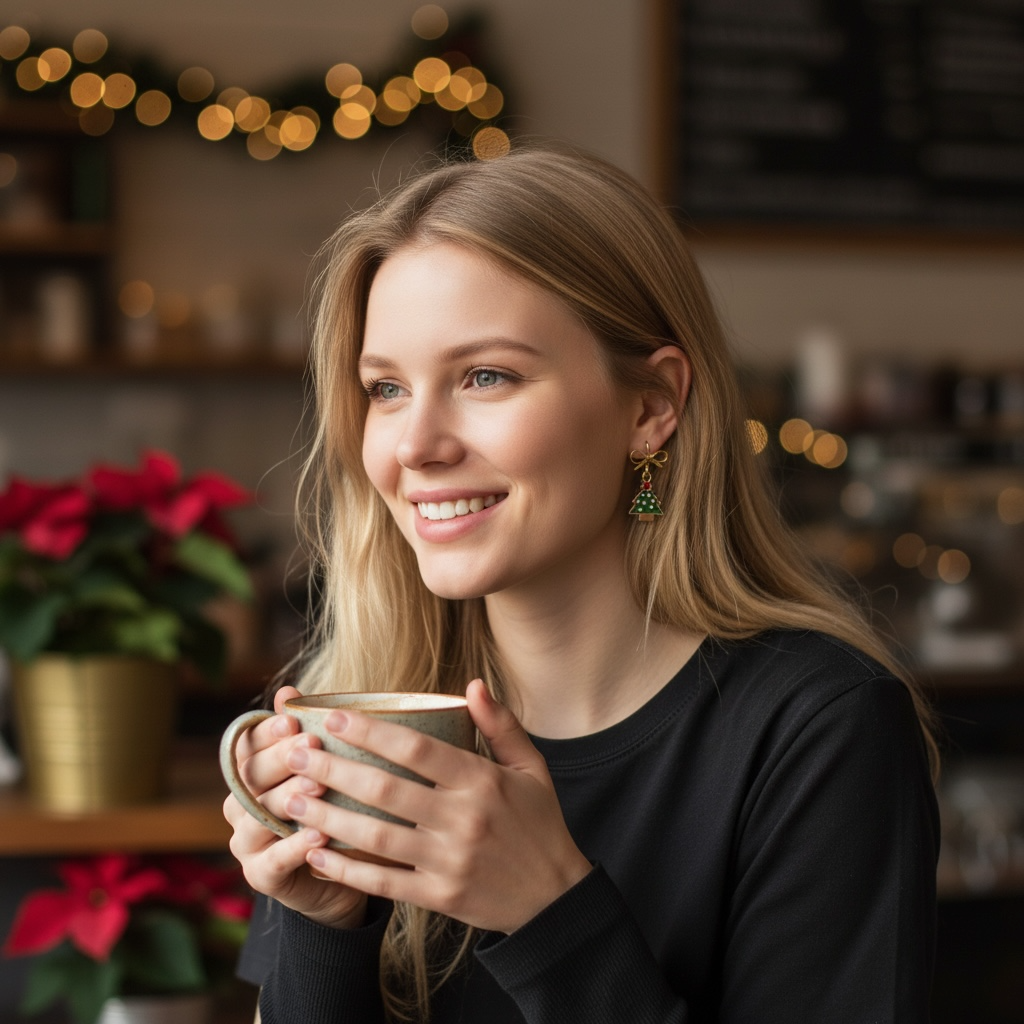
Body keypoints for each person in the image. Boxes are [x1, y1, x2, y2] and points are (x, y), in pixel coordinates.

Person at [223, 144, 939, 1024]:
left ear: (651, 407)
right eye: (386, 389)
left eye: (485, 376)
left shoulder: (820, 729)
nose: (415, 446)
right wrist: (321, 928)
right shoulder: (364, 727)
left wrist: (549, 915)